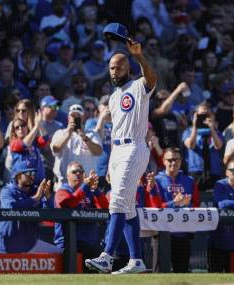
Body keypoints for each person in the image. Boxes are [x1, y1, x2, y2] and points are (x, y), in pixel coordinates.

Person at [85, 37, 157, 274]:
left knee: (116, 202)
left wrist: (138, 55)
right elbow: (115, 129)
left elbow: (152, 78)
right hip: (117, 150)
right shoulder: (114, 97)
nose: (115, 71)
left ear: (128, 67)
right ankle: (137, 260)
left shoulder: (138, 85)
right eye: (112, 68)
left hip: (135, 147)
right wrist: (110, 165)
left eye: (120, 66)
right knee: (127, 207)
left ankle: (107, 256)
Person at [146, 147, 199, 272]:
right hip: (162, 234)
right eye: (169, 160)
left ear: (181, 161)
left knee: (182, 273)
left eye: (176, 159)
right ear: (163, 161)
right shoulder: (156, 181)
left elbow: (196, 206)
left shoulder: (189, 181)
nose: (173, 163)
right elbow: (155, 208)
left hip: (182, 234)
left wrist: (187, 205)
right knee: (159, 274)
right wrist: (174, 203)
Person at [0, 160, 62, 254]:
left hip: (29, 245)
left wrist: (47, 197)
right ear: (18, 176)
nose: (31, 176)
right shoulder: (7, 191)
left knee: (62, 255)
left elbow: (49, 213)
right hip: (6, 246)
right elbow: (10, 208)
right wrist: (35, 198)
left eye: (33, 173)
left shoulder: (34, 190)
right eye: (28, 173)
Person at [54, 161, 108, 270]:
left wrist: (95, 190)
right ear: (67, 175)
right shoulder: (62, 191)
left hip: (90, 243)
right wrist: (84, 187)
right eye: (74, 172)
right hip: (68, 244)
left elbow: (105, 208)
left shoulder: (90, 192)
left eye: (81, 172)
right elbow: (68, 203)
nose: (78, 174)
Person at [51, 104, 102, 185]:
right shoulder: (60, 133)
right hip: (64, 183)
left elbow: (98, 152)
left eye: (78, 116)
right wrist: (68, 133)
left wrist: (84, 137)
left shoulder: (91, 134)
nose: (75, 118)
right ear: (68, 118)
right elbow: (55, 149)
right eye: (73, 115)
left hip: (85, 183)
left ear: (83, 118)